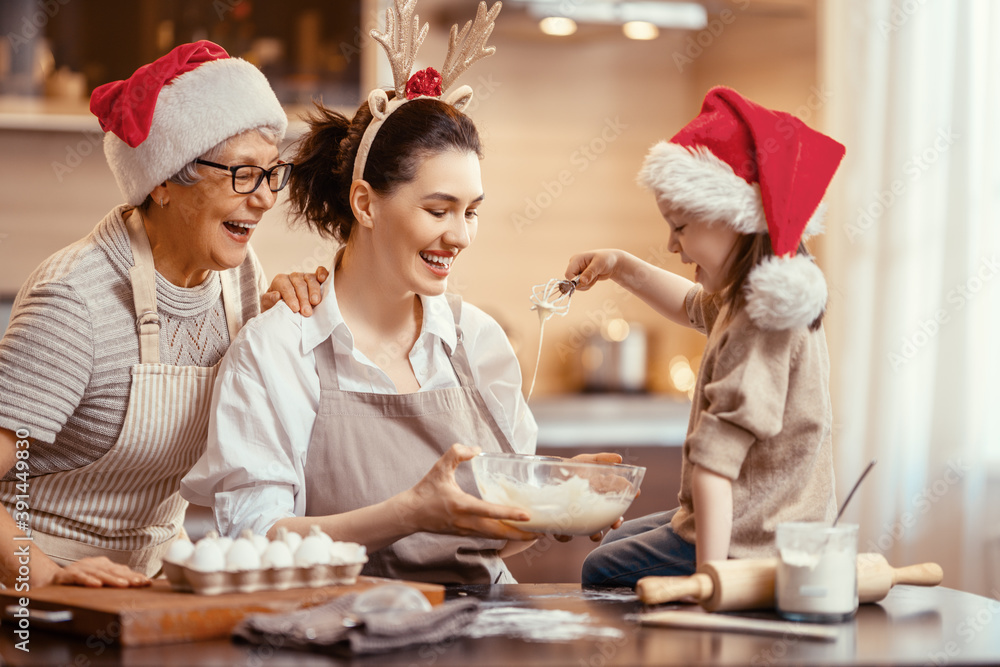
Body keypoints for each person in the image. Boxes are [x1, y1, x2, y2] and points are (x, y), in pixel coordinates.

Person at [181, 0, 622, 585]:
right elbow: (255, 539)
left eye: (471, 212)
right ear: (365, 203)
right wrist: (409, 513)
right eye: (438, 209)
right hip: (337, 628)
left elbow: (494, 542)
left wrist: (552, 506)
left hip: (480, 625)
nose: (460, 236)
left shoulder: (479, 343)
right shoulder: (280, 348)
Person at [0, 41, 325, 589]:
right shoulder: (74, 301)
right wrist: (47, 576)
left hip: (152, 583)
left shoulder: (239, 279)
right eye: (244, 174)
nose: (267, 198)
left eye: (273, 173)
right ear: (166, 181)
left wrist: (274, 325)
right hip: (40, 594)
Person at [569, 86, 846, 587]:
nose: (671, 244)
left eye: (679, 226)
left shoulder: (761, 324)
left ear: (734, 217)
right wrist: (619, 265)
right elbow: (689, 304)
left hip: (753, 542)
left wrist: (710, 583)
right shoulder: (749, 296)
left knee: (599, 567)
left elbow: (715, 469)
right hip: (757, 522)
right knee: (615, 545)